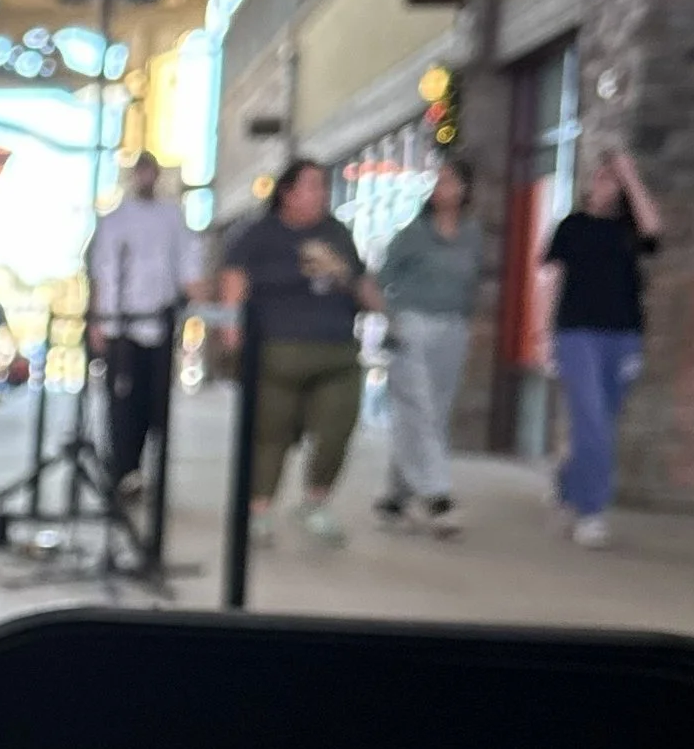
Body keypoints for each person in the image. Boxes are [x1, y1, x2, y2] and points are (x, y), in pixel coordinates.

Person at [217, 157, 378, 548]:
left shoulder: (336, 233)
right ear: (287, 193)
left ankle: (315, 501)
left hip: (335, 348)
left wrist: (343, 274)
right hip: (277, 348)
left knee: (337, 428)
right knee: (271, 434)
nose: (319, 194)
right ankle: (260, 510)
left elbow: (361, 284)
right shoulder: (258, 234)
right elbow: (234, 277)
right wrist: (231, 330)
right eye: (310, 186)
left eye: (322, 186)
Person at [537, 144, 661, 547]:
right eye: (602, 175)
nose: (605, 182)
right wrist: (543, 336)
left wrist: (631, 175)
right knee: (590, 418)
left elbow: (654, 231)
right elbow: (550, 279)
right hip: (576, 333)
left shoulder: (628, 229)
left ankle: (569, 485)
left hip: (623, 334)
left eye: (613, 178)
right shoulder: (571, 226)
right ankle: (592, 512)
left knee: (603, 422)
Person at [374, 155, 484, 537]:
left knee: (434, 413)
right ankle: (438, 496)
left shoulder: (472, 235)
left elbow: (473, 282)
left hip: (453, 327)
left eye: (451, 181)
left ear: (466, 189)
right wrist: (391, 318)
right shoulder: (413, 234)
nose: (443, 188)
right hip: (412, 325)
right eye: (438, 181)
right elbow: (380, 279)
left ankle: (396, 496)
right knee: (416, 408)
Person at [85, 151, 198, 493]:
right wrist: (98, 322)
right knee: (122, 402)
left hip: (159, 324)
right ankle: (122, 468)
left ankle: (142, 466)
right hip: (122, 324)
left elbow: (188, 266)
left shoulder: (172, 217)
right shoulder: (114, 220)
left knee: (155, 401)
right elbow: (100, 274)